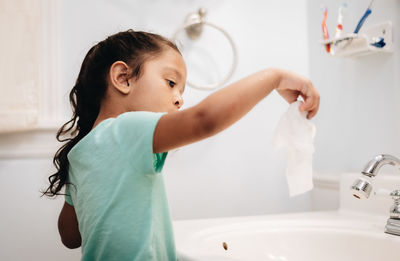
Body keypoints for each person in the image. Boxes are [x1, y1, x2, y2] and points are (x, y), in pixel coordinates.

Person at [42, 29, 319, 261]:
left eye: (181, 91)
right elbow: (204, 120)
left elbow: (69, 236)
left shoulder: (82, 152)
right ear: (123, 78)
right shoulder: (124, 129)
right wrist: (275, 78)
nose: (179, 99)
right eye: (171, 82)